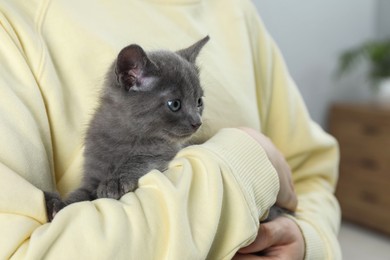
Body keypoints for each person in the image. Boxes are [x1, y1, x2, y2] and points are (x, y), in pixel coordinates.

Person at [0, 0, 341, 259]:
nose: (195, 121)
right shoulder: (16, 19)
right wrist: (248, 158)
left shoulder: (235, 10)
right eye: (176, 105)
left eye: (198, 104)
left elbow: (312, 173)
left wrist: (308, 239)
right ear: (130, 77)